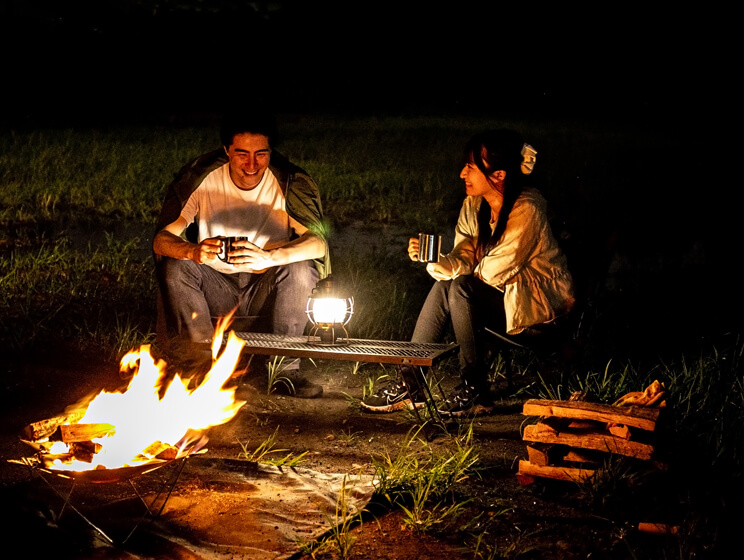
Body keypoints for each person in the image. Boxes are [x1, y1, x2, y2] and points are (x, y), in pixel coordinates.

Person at [361, 129, 575, 416]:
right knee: (447, 286)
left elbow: (494, 270)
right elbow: (464, 254)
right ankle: (411, 383)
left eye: (471, 167)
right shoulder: (474, 205)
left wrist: (459, 267)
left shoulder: (527, 209)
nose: (462, 173)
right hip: (498, 300)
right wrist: (439, 261)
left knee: (460, 287)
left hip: (537, 312)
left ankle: (475, 389)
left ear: (499, 174)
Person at [153, 111, 331, 397]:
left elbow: (318, 243)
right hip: (216, 286)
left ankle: (285, 372)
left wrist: (269, 258)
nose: (251, 164)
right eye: (242, 154)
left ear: (271, 152)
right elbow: (161, 240)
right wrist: (193, 250)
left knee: (301, 268)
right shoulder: (205, 180)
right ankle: (202, 368)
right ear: (226, 151)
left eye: (261, 154)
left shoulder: (285, 183)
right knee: (177, 266)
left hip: (265, 288)